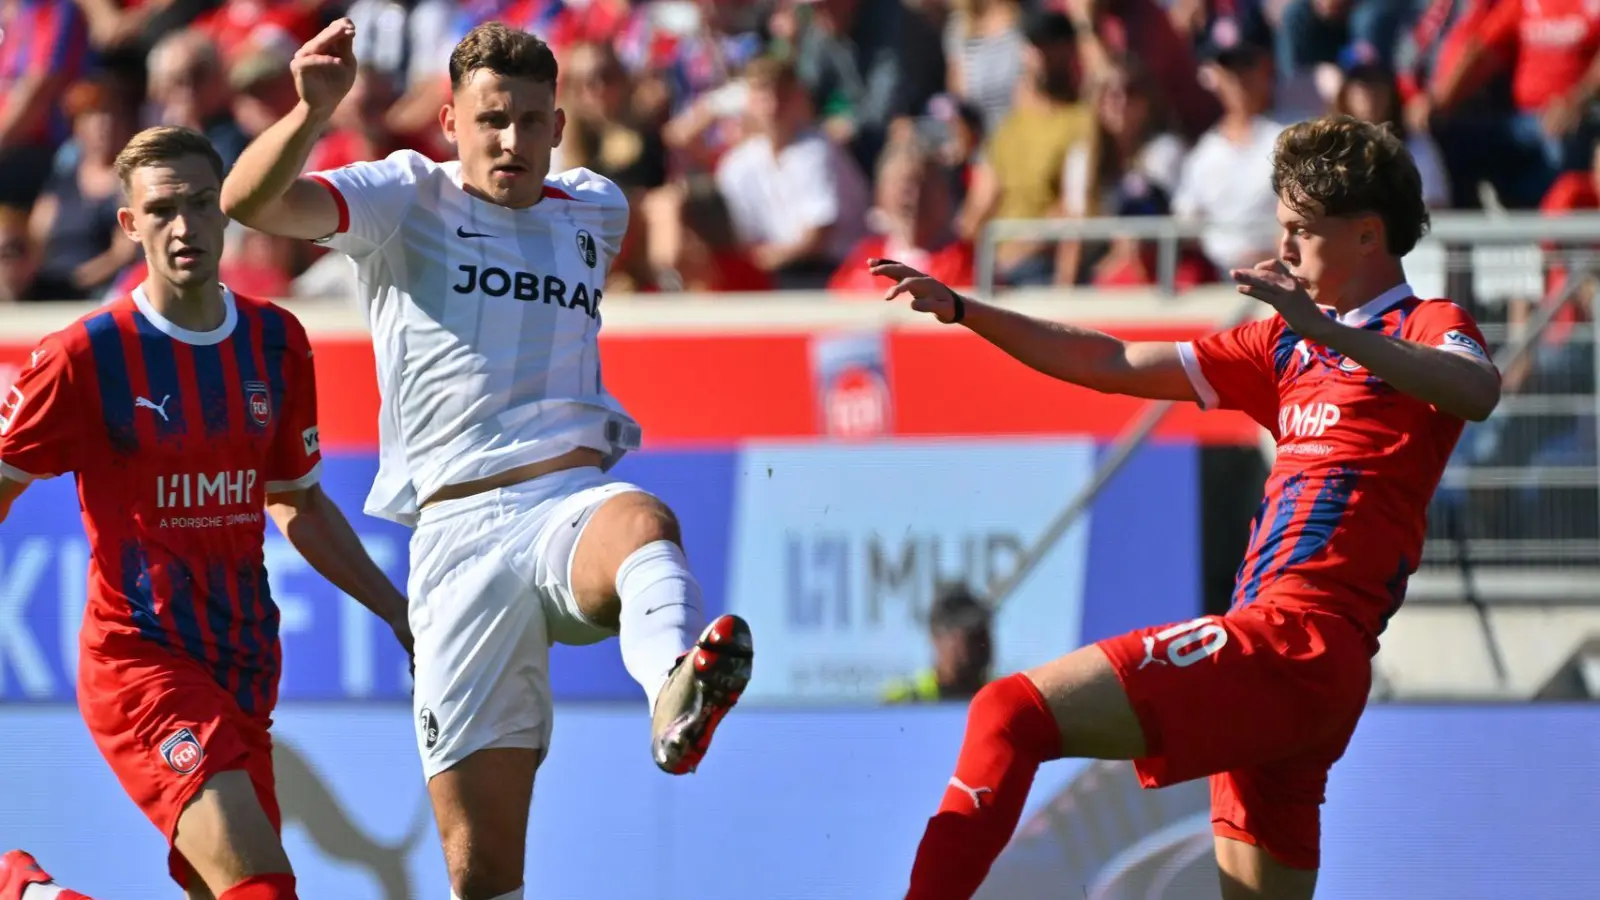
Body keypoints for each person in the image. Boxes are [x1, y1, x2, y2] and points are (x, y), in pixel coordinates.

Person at [876, 113, 1501, 900]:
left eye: (1302, 231)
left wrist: (1331, 336)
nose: (1285, 250)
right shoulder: (1283, 348)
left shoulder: (1426, 326)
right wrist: (969, 309)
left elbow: (1477, 390)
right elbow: (1109, 360)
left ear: (1369, 236)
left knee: (1007, 711)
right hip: (1294, 670)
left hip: (1295, 642)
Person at [218, 19, 755, 900]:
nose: (512, 140)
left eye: (532, 120)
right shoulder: (403, 198)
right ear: (450, 122)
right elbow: (248, 203)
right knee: (482, 872)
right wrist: (313, 113)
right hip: (455, 537)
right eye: (492, 120)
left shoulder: (595, 208)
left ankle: (675, 691)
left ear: (558, 126)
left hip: (565, 501)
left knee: (644, 520)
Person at [0, 125, 412, 900]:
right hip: (141, 660)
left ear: (226, 212)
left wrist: (398, 610)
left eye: (199, 204)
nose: (184, 226)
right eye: (161, 210)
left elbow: (297, 501)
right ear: (130, 225)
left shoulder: (276, 340)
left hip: (246, 665)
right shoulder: (84, 357)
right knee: (262, 887)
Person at [883, 583, 994, 704]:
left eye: (983, 632)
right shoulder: (902, 703)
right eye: (971, 635)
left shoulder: (1005, 699)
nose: (981, 644)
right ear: (937, 638)